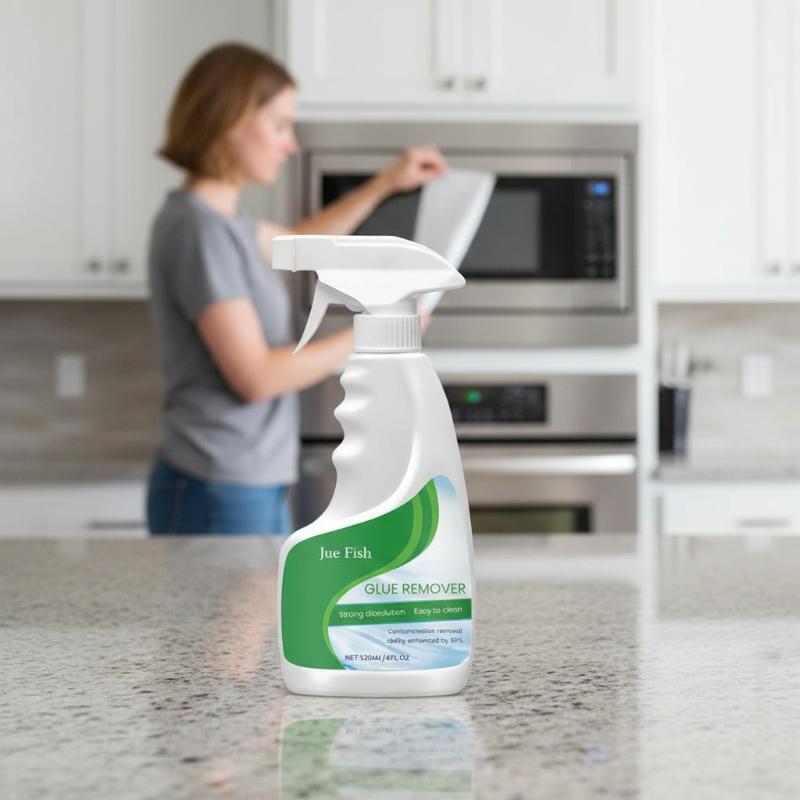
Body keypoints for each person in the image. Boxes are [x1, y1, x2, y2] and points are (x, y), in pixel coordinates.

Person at [146, 42, 446, 535]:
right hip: (219, 483)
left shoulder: (224, 225)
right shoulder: (200, 231)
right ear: (230, 118)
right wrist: (379, 329)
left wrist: (387, 183)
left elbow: (304, 243)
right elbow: (256, 377)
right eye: (280, 126)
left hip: (242, 479)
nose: (290, 146)